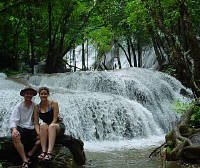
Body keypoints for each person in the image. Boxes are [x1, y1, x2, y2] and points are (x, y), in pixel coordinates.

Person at [10, 86, 40, 168]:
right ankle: (25, 160)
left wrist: (58, 117)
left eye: (30, 94)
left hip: (32, 128)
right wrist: (14, 129)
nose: (29, 95)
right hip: (21, 128)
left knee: (44, 137)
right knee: (14, 136)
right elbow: (13, 120)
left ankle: (30, 153)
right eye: (27, 93)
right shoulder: (18, 106)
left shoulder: (36, 106)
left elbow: (45, 113)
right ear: (23, 95)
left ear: (33, 95)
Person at [34, 87, 65, 161]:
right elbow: (36, 123)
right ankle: (44, 151)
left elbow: (54, 119)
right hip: (46, 127)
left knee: (51, 126)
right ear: (39, 95)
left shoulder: (54, 103)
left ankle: (49, 152)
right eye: (42, 94)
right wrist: (39, 133)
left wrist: (48, 129)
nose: (43, 95)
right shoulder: (37, 107)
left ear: (48, 94)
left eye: (45, 94)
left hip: (57, 125)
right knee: (42, 125)